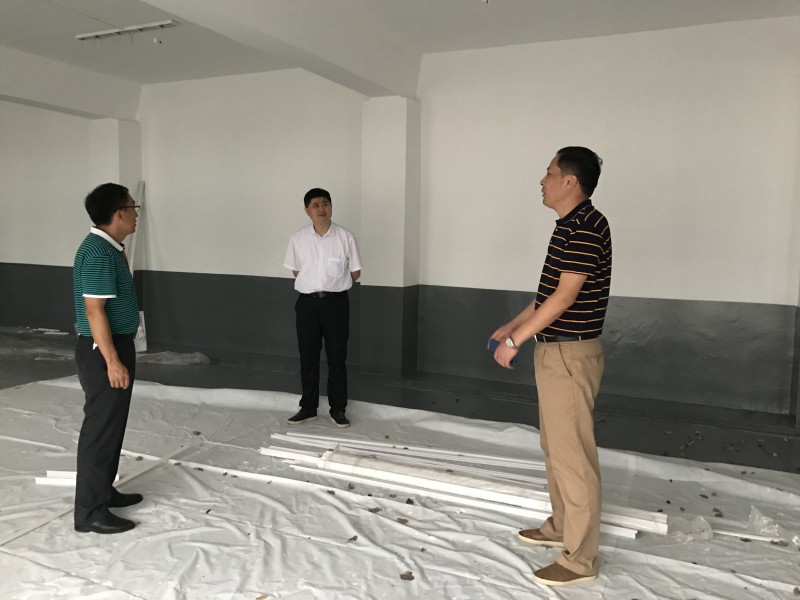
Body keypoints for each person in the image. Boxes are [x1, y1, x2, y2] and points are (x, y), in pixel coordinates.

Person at [490, 147, 611, 587]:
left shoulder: (587, 226)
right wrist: (514, 324)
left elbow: (565, 298)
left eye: (549, 172)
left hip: (570, 355)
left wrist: (515, 341)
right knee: (555, 447)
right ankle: (562, 525)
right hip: (555, 351)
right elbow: (547, 295)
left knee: (573, 455)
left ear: (570, 181)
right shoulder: (567, 226)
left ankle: (579, 560)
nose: (542, 181)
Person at [73, 183, 144, 534]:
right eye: (133, 208)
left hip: (113, 345)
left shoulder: (109, 248)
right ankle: (90, 513)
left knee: (112, 425)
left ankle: (103, 491)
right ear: (119, 214)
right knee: (100, 430)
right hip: (104, 350)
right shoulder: (100, 253)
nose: (136, 215)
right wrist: (113, 361)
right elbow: (94, 311)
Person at [284, 188, 362, 428]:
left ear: (331, 207)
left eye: (325, 203)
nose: (321, 209)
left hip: (336, 304)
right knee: (308, 356)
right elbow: (296, 270)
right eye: (315, 205)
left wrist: (332, 285)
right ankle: (308, 407)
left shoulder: (345, 237)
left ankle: (338, 409)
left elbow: (355, 272)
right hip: (307, 304)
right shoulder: (298, 239)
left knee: (337, 357)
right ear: (307, 210)